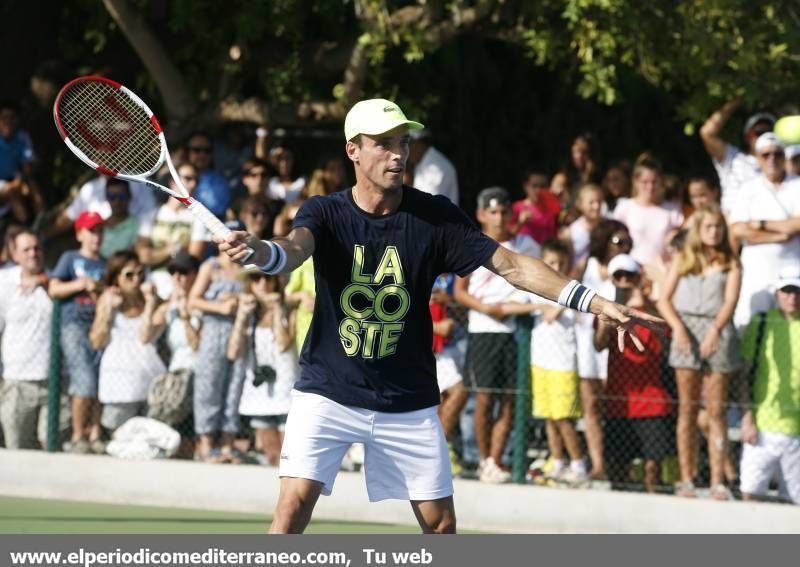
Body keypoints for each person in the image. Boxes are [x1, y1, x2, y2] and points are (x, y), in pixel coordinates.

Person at [214, 98, 662, 534]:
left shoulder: (434, 216)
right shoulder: (324, 211)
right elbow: (293, 252)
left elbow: (512, 266)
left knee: (441, 525)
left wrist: (595, 302)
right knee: (291, 510)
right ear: (353, 149)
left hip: (407, 398)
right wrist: (258, 251)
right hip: (329, 392)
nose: (398, 153)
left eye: (403, 142)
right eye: (384, 143)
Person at [455, 186, 541, 484]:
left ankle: (496, 458)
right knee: (483, 398)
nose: (499, 217)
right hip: (484, 329)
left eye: (504, 211)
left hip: (515, 331)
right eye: (493, 211)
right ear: (481, 214)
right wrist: (486, 308)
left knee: (509, 400)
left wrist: (513, 308)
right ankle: (483, 460)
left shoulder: (525, 245)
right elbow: (459, 292)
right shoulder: (472, 245)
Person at [657, 205, 742, 499]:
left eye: (718, 227)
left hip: (717, 330)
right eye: (708, 227)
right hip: (685, 329)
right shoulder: (683, 259)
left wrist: (715, 330)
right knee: (688, 409)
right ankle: (687, 478)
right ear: (699, 229)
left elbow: (730, 301)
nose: (714, 232)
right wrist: (678, 329)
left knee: (716, 411)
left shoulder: (731, 263)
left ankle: (718, 481)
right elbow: (663, 300)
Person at [594, 254, 674, 493]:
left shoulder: (652, 310)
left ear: (639, 279)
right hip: (620, 401)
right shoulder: (606, 310)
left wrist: (649, 294)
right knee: (617, 471)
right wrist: (604, 324)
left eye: (630, 276)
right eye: (618, 277)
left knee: (652, 472)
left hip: (652, 401)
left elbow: (665, 337)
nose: (624, 281)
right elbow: (597, 345)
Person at [573, 219, 635, 480]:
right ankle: (597, 464)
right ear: (604, 241)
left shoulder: (628, 269)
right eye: (619, 241)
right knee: (591, 405)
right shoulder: (585, 266)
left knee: (614, 404)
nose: (625, 247)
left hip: (615, 343)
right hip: (585, 337)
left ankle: (619, 465)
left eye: (628, 242)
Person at [526, 239, 587, 486]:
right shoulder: (535, 289)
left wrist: (572, 287)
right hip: (540, 362)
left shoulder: (573, 293)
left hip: (563, 364)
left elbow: (552, 314)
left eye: (561, 263)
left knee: (564, 419)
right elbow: (544, 313)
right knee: (549, 418)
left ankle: (578, 465)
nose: (556, 266)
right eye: (551, 262)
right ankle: (558, 463)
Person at [737, 266, 800, 504]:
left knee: (795, 504)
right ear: (777, 293)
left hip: (797, 432)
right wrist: (746, 418)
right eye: (787, 291)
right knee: (751, 495)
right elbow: (744, 375)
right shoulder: (761, 322)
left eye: (797, 291)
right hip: (761, 428)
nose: (793, 297)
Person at [0, 230, 67, 449]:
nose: (33, 254)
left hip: (54, 381)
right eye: (26, 249)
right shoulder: (4, 284)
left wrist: (41, 281)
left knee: (52, 449)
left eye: (37, 248)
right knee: (16, 448)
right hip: (17, 382)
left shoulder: (56, 281)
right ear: (15, 254)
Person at [48, 212, 107, 454]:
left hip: (99, 327)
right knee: (84, 379)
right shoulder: (70, 258)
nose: (97, 236)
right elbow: (54, 288)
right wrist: (81, 284)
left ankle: (94, 434)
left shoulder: (105, 263)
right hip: (73, 324)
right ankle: (77, 435)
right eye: (92, 231)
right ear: (80, 233)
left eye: (100, 231)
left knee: (98, 380)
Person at [729, 132, 800, 330]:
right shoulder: (748, 189)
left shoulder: (797, 185)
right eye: (766, 154)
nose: (772, 159)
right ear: (758, 158)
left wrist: (759, 223)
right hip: (756, 274)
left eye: (777, 154)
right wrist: (780, 235)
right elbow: (737, 229)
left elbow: (797, 224)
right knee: (749, 326)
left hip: (794, 274)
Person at [90, 251, 166, 434]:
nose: (136, 279)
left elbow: (145, 336)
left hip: (150, 380)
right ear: (117, 278)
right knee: (120, 438)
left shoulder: (155, 302)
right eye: (129, 275)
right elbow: (97, 341)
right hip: (119, 382)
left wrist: (149, 304)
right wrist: (108, 309)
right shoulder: (107, 301)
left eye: (140, 273)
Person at [228, 269, 298, 466]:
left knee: (290, 458)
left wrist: (276, 311)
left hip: (288, 390)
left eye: (268, 277)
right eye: (256, 278)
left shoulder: (289, 309)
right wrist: (241, 317)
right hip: (260, 394)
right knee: (273, 457)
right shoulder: (249, 313)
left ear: (277, 281)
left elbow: (283, 344)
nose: (262, 283)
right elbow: (233, 353)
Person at [188, 225, 245, 463]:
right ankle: (206, 444)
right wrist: (220, 306)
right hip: (213, 331)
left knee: (234, 388)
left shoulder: (246, 268)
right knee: (208, 386)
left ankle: (228, 446)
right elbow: (193, 300)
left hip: (240, 330)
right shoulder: (210, 267)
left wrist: (237, 300)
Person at [699, 99, 775, 215]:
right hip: (734, 225)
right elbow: (707, 133)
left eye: (769, 132)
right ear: (747, 136)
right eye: (758, 132)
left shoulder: (780, 161)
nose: (763, 136)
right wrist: (736, 100)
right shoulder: (732, 157)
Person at [613, 158, 684, 269]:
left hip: (661, 269)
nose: (650, 187)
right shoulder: (625, 207)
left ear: (661, 181)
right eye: (645, 182)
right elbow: (615, 240)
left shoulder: (672, 210)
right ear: (635, 181)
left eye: (654, 182)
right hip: (630, 269)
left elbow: (678, 244)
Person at [560, 183, 605, 272]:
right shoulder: (571, 232)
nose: (596, 206)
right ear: (580, 204)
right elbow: (567, 263)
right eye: (591, 202)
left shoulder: (610, 227)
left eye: (599, 201)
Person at [408, 128, 459, 205]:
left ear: (419, 143)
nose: (406, 150)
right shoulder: (422, 163)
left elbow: (427, 205)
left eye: (409, 144)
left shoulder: (436, 167)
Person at [509, 170, 561, 244]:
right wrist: (520, 223)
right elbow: (507, 237)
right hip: (525, 254)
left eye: (542, 186)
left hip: (548, 253)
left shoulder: (554, 206)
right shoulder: (516, 208)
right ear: (525, 186)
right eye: (534, 186)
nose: (539, 190)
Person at [187, 132, 230, 219]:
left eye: (207, 150)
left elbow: (217, 213)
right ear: (187, 152)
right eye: (197, 150)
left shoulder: (221, 182)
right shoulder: (174, 177)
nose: (202, 155)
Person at [99, 180, 139, 259]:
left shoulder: (138, 226)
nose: (117, 201)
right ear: (106, 197)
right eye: (112, 196)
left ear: (130, 196)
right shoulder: (99, 226)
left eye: (122, 196)